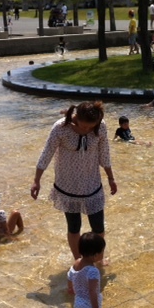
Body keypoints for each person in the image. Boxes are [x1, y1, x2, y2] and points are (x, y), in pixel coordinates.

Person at [30, 101, 117, 260]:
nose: (87, 130)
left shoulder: (100, 126)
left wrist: (111, 178)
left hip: (92, 183)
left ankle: (99, 258)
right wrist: (37, 180)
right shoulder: (60, 128)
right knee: (74, 227)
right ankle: (79, 260)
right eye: (84, 126)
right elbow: (46, 153)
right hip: (68, 185)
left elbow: (104, 155)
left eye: (91, 127)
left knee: (98, 227)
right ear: (76, 117)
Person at [67, 232, 107, 308]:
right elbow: (92, 291)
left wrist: (70, 287)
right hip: (90, 305)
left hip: (78, 303)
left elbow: (69, 276)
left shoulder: (76, 263)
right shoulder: (92, 271)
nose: (102, 255)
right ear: (95, 255)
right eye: (101, 252)